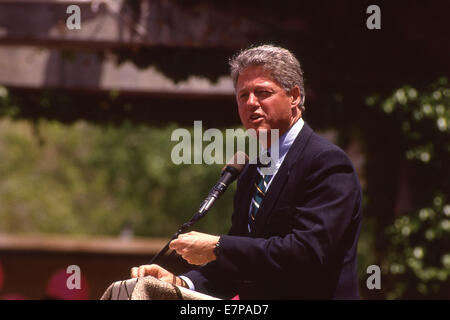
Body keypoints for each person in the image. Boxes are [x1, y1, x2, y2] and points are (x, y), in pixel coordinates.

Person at [131, 44, 363, 299]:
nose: (251, 103)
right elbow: (239, 265)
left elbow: (307, 252)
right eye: (243, 96)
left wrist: (219, 246)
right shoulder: (252, 170)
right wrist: (180, 281)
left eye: (263, 92)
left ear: (294, 96)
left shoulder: (327, 162)